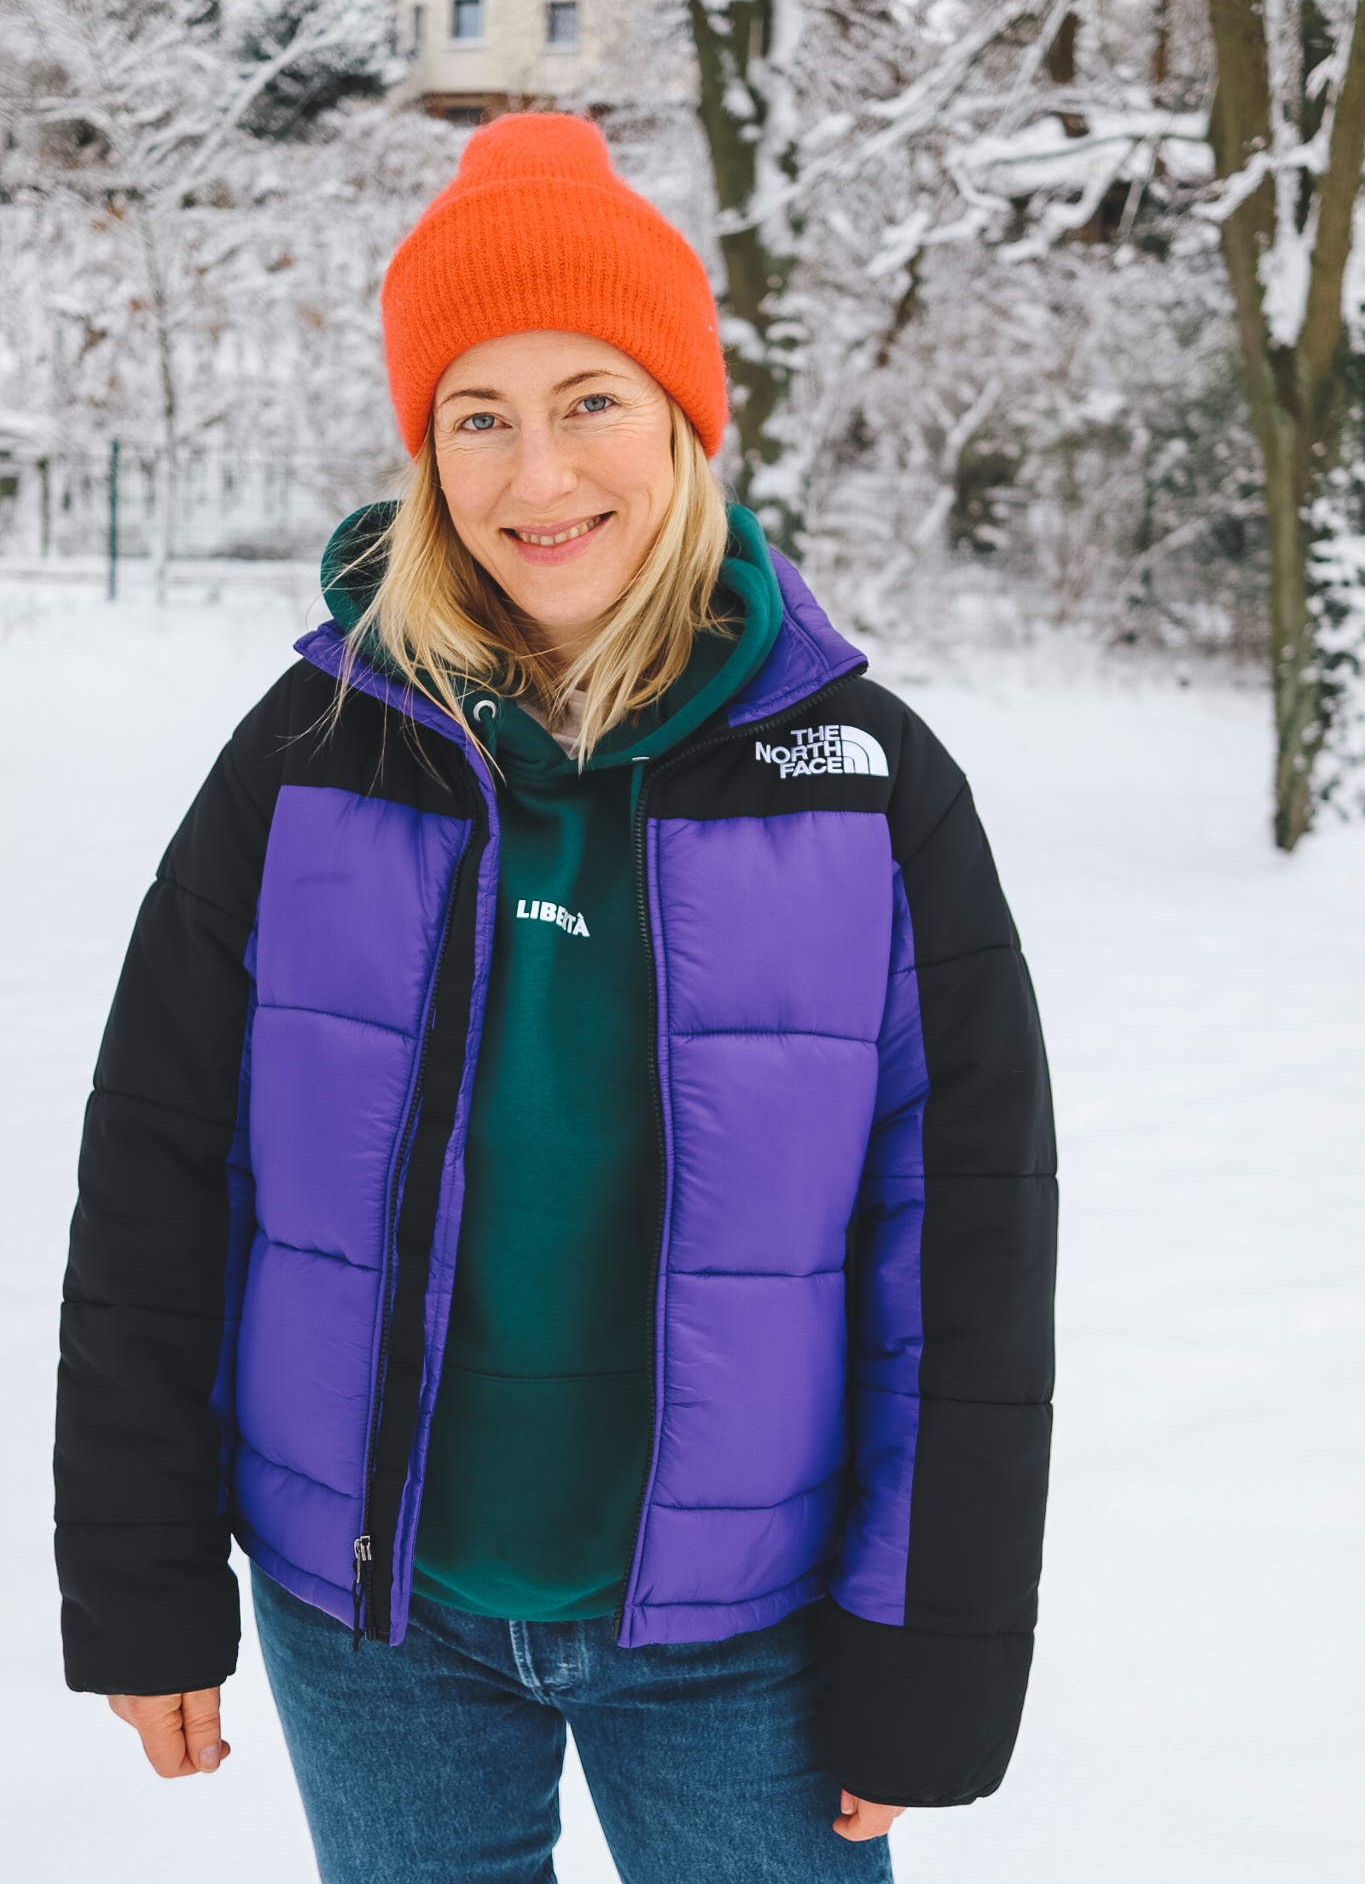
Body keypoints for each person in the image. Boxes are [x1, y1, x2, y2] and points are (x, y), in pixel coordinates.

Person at [54, 114, 1057, 1884]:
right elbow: (156, 1178)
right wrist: (137, 1576)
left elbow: (964, 1244)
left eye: (590, 398)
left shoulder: (863, 784)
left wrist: (934, 1646)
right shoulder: (306, 759)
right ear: (424, 450)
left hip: (746, 1636)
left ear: (680, 417)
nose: (538, 474)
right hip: (373, 1618)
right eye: (477, 415)